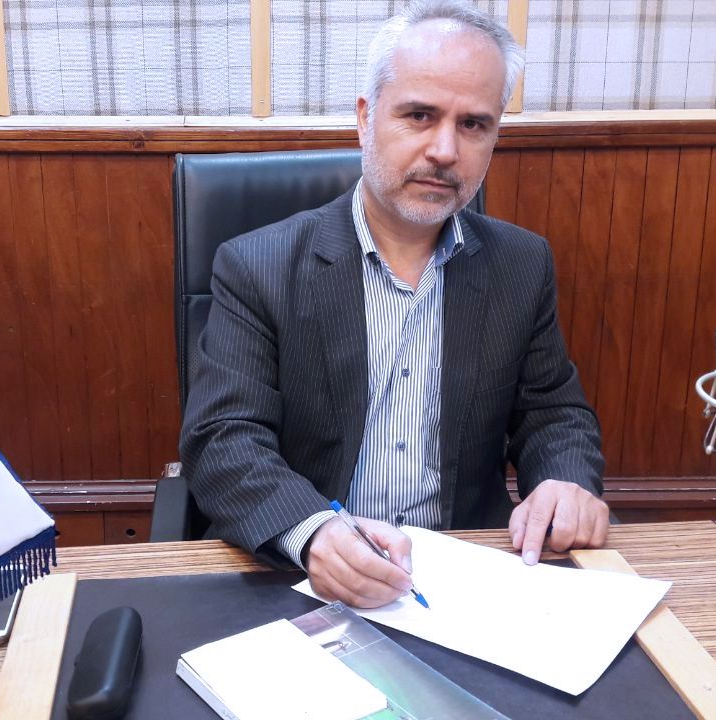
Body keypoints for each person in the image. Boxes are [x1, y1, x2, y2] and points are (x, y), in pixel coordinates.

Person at [180, 0, 608, 608]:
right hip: (301, 576)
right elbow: (223, 438)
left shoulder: (521, 263)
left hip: (466, 575)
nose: (444, 150)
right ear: (365, 118)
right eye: (419, 115)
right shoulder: (258, 266)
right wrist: (312, 531)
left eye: (474, 124)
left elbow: (553, 413)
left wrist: (564, 481)